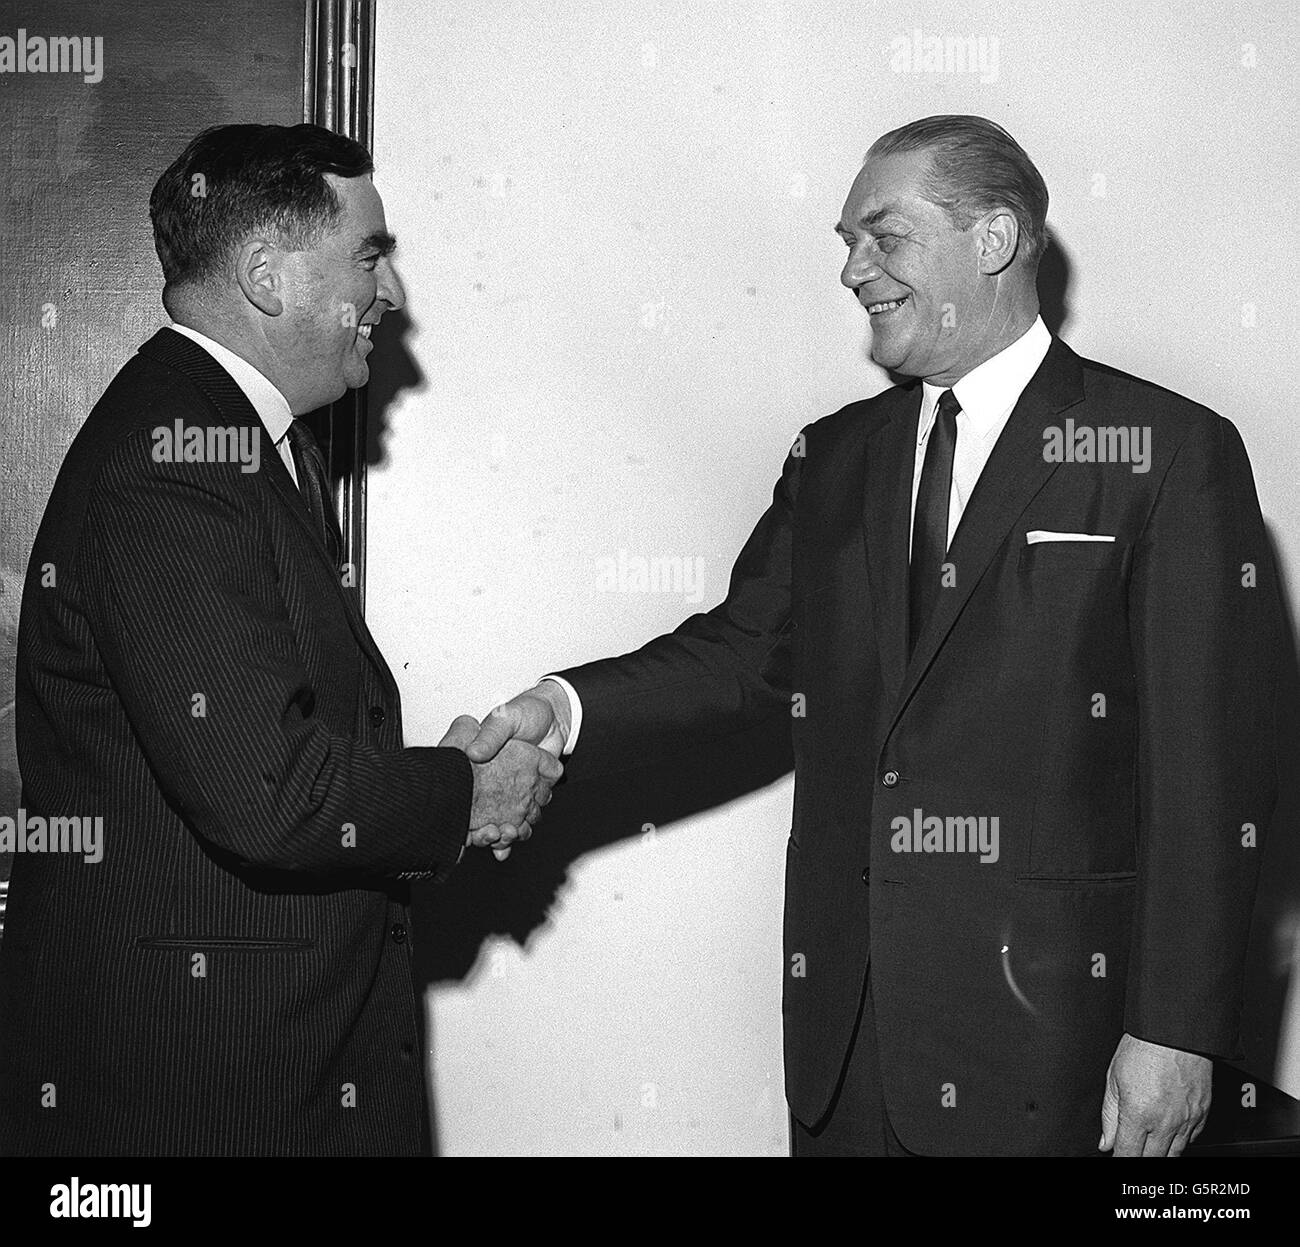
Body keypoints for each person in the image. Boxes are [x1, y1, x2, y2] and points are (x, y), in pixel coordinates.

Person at [468, 115, 1283, 1157]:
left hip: (1060, 1055)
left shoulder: (1167, 452)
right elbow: (742, 654)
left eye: (882, 236)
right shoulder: (836, 456)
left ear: (993, 239)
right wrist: (565, 705)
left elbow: (1208, 777)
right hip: (847, 1048)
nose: (853, 269)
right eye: (846, 242)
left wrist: (1174, 1030)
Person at [0, 124, 560, 1156]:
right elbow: (270, 792)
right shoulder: (174, 459)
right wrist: (467, 793)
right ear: (267, 274)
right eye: (370, 254)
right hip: (197, 1094)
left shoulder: (228, 438)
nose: (389, 294)